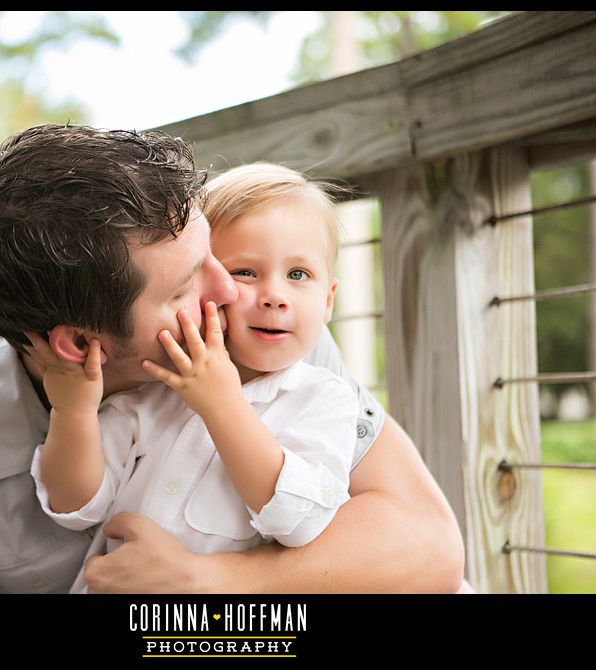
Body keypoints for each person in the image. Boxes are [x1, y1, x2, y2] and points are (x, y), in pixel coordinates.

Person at [0, 123, 466, 593]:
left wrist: (205, 585)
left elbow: (429, 549)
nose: (232, 292)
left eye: (214, 257)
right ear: (82, 346)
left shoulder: (255, 335)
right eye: (188, 283)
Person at [28, 163, 360, 592]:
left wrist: (221, 405)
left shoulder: (324, 399)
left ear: (328, 299)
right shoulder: (152, 390)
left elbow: (302, 521)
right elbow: (74, 505)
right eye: (246, 272)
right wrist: (73, 410)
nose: (275, 297)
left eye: (298, 275)